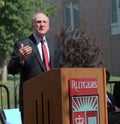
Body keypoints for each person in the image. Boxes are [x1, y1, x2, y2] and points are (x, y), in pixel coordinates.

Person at [7, 12, 64, 123]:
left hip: (53, 98)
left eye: (44, 22)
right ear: (33, 26)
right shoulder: (22, 44)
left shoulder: (54, 44)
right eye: (38, 22)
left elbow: (61, 66)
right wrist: (21, 58)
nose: (41, 25)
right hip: (32, 99)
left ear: (48, 26)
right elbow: (11, 69)